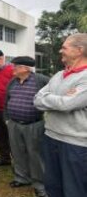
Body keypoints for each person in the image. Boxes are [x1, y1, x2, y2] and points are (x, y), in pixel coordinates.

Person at [34, 33, 87, 197]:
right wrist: (62, 99)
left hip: (75, 144)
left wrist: (50, 98)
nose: (60, 50)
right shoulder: (58, 75)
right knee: (53, 187)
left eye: (64, 47)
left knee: (74, 190)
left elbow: (68, 104)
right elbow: (37, 100)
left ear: (79, 50)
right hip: (51, 137)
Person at [5, 56, 49, 197]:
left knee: (35, 154)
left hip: (34, 124)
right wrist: (7, 119)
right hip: (14, 123)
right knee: (18, 152)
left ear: (25, 68)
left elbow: (53, 94)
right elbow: (7, 101)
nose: (13, 69)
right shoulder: (13, 82)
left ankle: (40, 185)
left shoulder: (41, 80)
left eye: (16, 66)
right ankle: (22, 178)